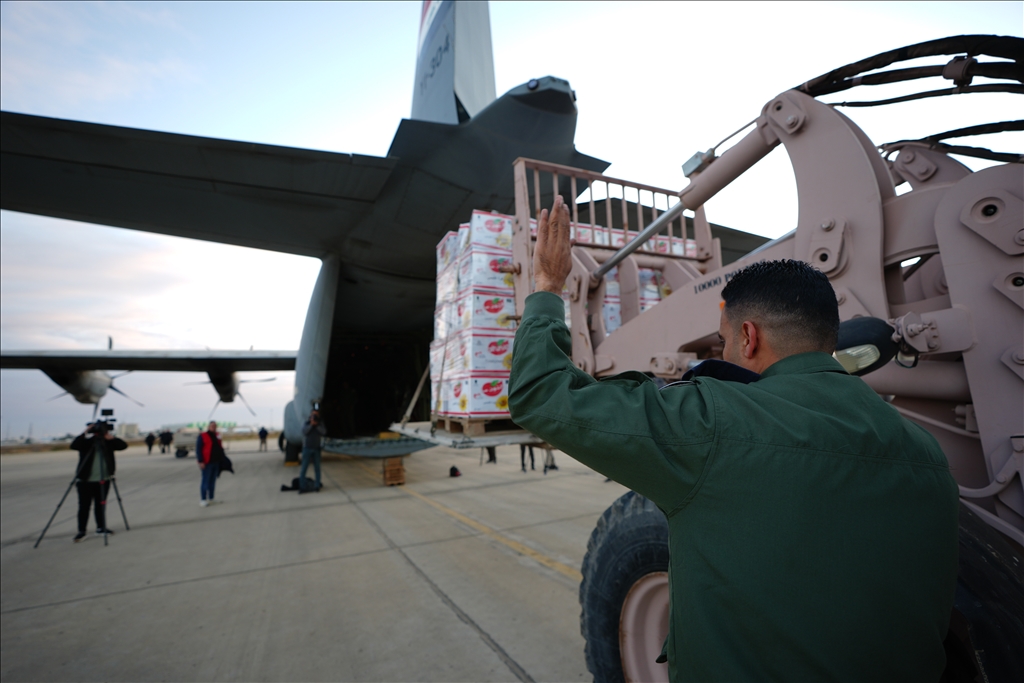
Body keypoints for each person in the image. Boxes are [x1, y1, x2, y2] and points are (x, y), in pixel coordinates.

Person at [508, 196, 959, 681]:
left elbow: (539, 393)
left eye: (723, 340)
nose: (723, 350)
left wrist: (548, 286)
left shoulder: (710, 424)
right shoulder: (928, 454)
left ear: (747, 337)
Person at [70, 421, 127, 541]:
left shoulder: (108, 442)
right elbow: (74, 445)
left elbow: (123, 446)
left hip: (104, 479)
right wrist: (85, 432)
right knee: (84, 506)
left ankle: (101, 528)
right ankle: (81, 531)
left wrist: (111, 438)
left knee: (100, 505)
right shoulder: (87, 442)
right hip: (85, 480)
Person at [196, 421, 226, 506]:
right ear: (209, 427)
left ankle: (211, 498)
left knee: (212, 481)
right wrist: (200, 461)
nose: (214, 427)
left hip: (216, 462)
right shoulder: (203, 436)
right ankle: (203, 499)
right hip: (207, 462)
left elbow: (220, 447)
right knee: (205, 480)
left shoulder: (217, 435)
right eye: (212, 426)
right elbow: (198, 449)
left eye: (215, 426)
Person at [300, 409, 326, 491]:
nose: (314, 417)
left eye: (316, 415)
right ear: (310, 416)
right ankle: (302, 486)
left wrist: (317, 425)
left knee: (317, 468)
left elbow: (324, 432)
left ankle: (317, 485)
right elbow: (304, 432)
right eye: (313, 415)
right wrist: (311, 425)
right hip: (307, 448)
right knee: (304, 468)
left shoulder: (320, 424)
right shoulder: (307, 423)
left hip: (316, 449)